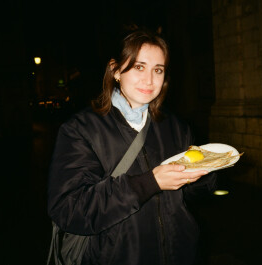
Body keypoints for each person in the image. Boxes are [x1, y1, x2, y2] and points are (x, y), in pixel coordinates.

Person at [47, 28, 218, 265]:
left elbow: (189, 197)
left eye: (158, 70)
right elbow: (69, 210)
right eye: (139, 67)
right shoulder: (80, 129)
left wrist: (205, 174)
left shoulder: (176, 127)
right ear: (115, 70)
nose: (149, 80)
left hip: (181, 253)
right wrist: (149, 183)